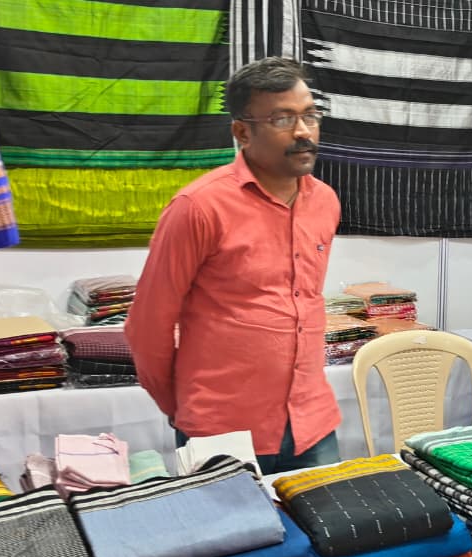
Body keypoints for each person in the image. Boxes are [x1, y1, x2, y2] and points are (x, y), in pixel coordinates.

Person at [126, 57, 342, 474]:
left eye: (310, 115)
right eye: (283, 119)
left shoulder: (325, 202)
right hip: (223, 430)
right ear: (242, 132)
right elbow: (147, 326)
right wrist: (182, 406)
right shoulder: (198, 207)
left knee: (335, 519)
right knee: (232, 522)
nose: (303, 131)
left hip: (313, 425)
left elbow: (303, 302)